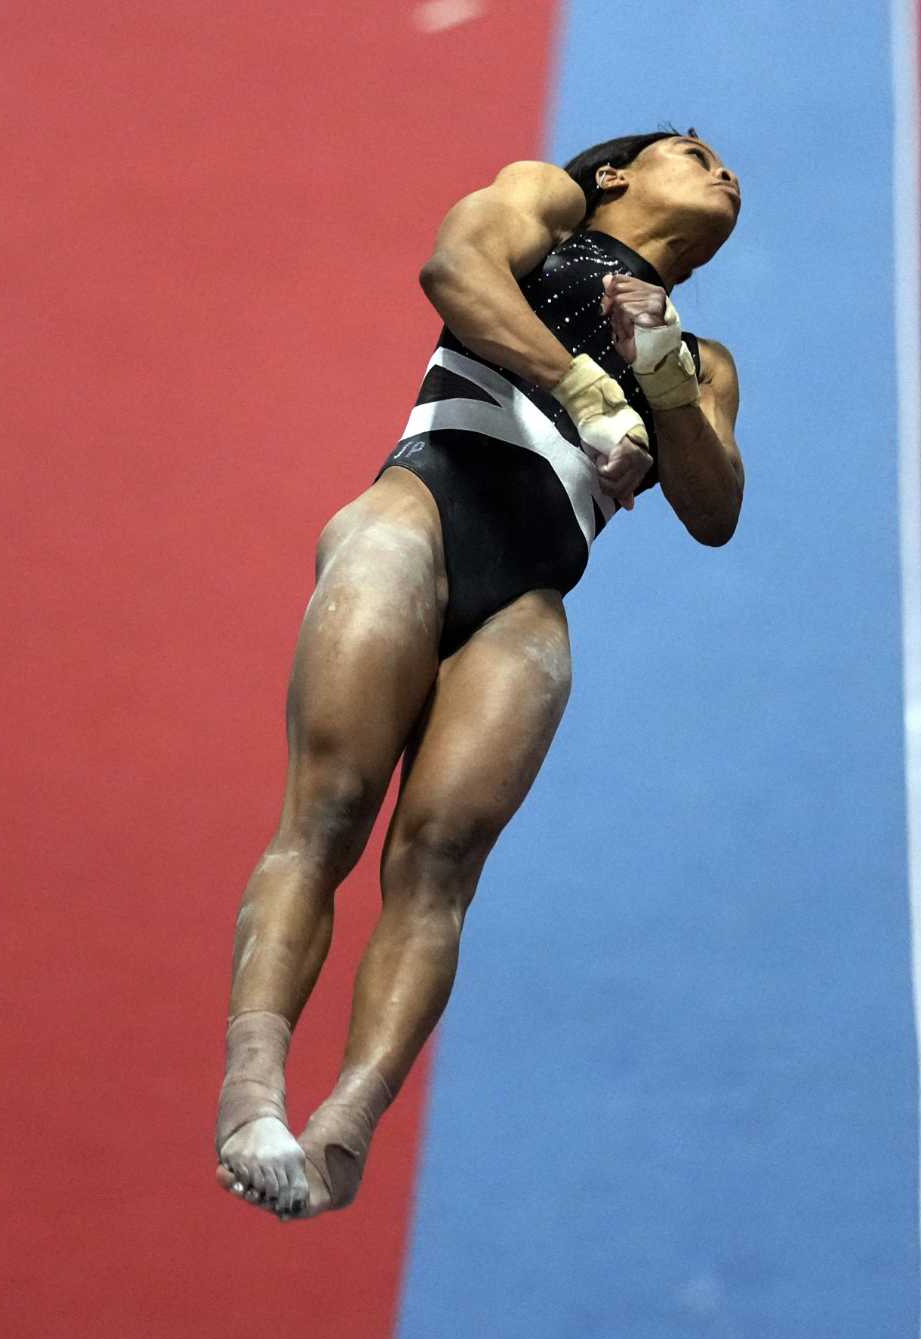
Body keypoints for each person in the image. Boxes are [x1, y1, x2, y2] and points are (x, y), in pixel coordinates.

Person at [214, 126, 744, 1220]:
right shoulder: (545, 210)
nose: (725, 172)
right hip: (417, 517)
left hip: (527, 597)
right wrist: (587, 391)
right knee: (330, 811)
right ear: (615, 176)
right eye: (694, 152)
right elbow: (450, 272)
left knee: (440, 860)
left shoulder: (701, 360)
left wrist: (653, 369)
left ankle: (345, 1126)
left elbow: (714, 508)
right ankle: (250, 1090)